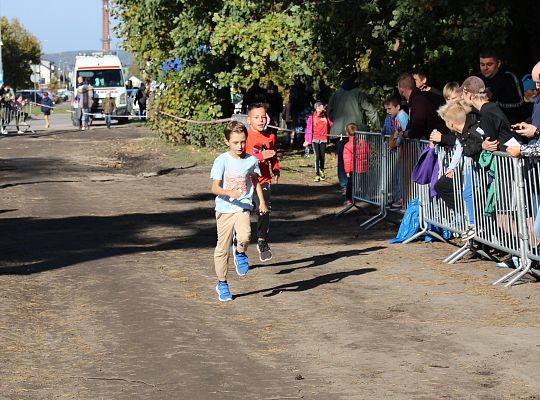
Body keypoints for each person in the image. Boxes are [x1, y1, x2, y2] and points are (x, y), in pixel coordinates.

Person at [210, 120, 268, 302]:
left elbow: (256, 180)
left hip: (243, 206)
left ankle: (240, 252)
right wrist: (229, 192)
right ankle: (222, 282)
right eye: (235, 142)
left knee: (245, 235)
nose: (240, 146)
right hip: (224, 209)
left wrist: (262, 202)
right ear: (227, 141)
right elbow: (214, 188)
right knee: (222, 248)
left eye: (243, 141)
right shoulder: (222, 160)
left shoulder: (251, 160)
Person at [434, 100, 483, 240]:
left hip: (479, 167)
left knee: (471, 194)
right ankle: (472, 224)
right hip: (471, 166)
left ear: (451, 123)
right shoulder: (461, 134)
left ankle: (475, 225)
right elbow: (460, 149)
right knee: (467, 193)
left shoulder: (471, 131)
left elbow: (470, 148)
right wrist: (452, 167)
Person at [328, 72, 381, 192]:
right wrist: (378, 126)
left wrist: (336, 122)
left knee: (343, 158)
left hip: (339, 131)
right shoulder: (359, 93)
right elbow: (370, 110)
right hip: (358, 131)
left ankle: (345, 185)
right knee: (360, 158)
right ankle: (359, 185)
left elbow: (329, 112)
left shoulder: (336, 94)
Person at [245, 103, 280, 262]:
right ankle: (239, 241)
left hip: (264, 179)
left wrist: (276, 168)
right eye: (256, 117)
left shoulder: (270, 136)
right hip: (246, 181)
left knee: (264, 210)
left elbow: (273, 155)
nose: (261, 120)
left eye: (263, 117)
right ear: (249, 120)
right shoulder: (244, 137)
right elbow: (242, 159)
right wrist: (260, 156)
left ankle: (261, 240)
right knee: (244, 214)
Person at [460, 75, 522, 151]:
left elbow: (491, 142)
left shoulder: (486, 112)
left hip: (510, 156)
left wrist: (482, 145)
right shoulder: (490, 107)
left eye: (463, 94)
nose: (462, 97)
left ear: (469, 95)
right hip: (511, 153)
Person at [397, 73, 448, 140]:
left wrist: (404, 134)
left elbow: (417, 129)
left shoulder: (418, 101)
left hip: (438, 142)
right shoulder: (418, 99)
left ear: (401, 90)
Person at [478, 48, 523, 124]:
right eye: (482, 64)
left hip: (511, 125)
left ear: (498, 63)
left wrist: (492, 101)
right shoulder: (479, 80)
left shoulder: (509, 78)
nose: (485, 68)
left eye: (489, 64)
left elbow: (519, 104)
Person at [383, 95, 409, 208]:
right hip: (401, 150)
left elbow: (403, 134)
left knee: (402, 175)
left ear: (397, 107)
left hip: (405, 150)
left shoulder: (401, 117)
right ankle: (400, 198)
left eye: (389, 109)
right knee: (399, 175)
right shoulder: (396, 117)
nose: (388, 112)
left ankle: (402, 199)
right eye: (386, 109)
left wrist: (396, 143)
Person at [303, 101, 333, 181]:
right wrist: (306, 140)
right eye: (320, 107)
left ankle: (322, 171)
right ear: (316, 108)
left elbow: (332, 124)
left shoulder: (326, 116)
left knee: (322, 156)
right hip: (315, 139)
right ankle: (316, 174)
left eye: (322, 107)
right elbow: (308, 129)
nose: (322, 108)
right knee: (317, 156)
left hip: (324, 139)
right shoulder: (311, 117)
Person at [343, 123, 370, 203]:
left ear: (347, 133)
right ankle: (366, 197)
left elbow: (347, 160)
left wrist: (347, 171)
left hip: (353, 169)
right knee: (364, 182)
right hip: (363, 167)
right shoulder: (364, 142)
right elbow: (369, 153)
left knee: (350, 184)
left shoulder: (347, 145)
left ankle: (350, 199)